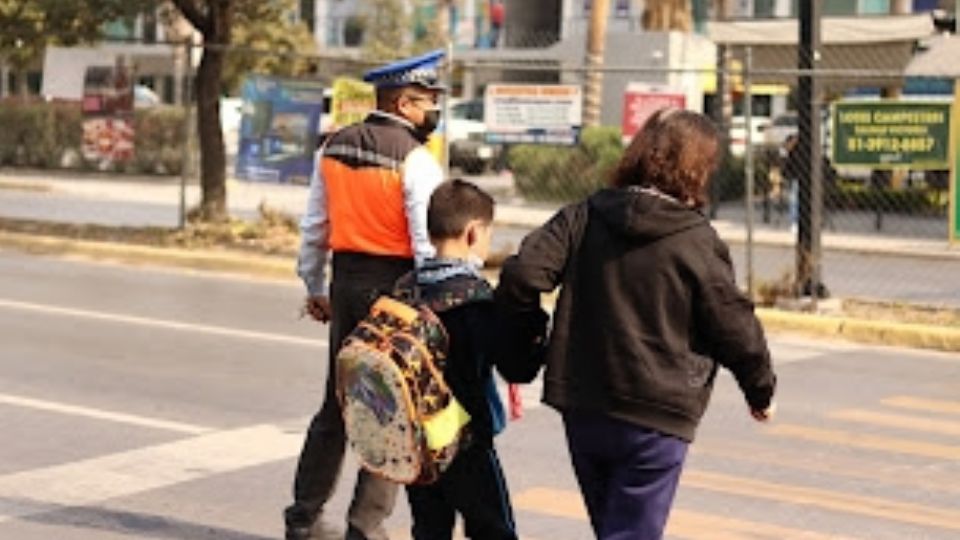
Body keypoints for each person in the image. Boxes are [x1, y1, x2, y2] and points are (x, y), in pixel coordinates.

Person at [496, 108, 778, 540]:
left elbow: (521, 274)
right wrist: (760, 389)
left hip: (585, 405)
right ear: (699, 170)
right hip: (656, 416)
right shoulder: (697, 240)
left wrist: (524, 353)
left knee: (613, 529)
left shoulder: (585, 215)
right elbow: (732, 323)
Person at [286, 49, 447, 540]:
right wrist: (436, 304)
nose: (433, 112)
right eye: (426, 102)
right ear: (402, 104)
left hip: (347, 282)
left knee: (337, 402)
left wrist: (314, 286)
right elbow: (425, 242)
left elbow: (315, 226)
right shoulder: (416, 159)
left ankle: (303, 519)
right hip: (397, 292)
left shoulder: (332, 147)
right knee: (389, 406)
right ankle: (365, 528)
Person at [401, 179, 546, 540]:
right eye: (487, 234)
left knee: (429, 528)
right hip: (464, 438)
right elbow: (517, 367)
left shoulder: (402, 288)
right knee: (492, 528)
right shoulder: (476, 301)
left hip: (415, 438)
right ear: (473, 232)